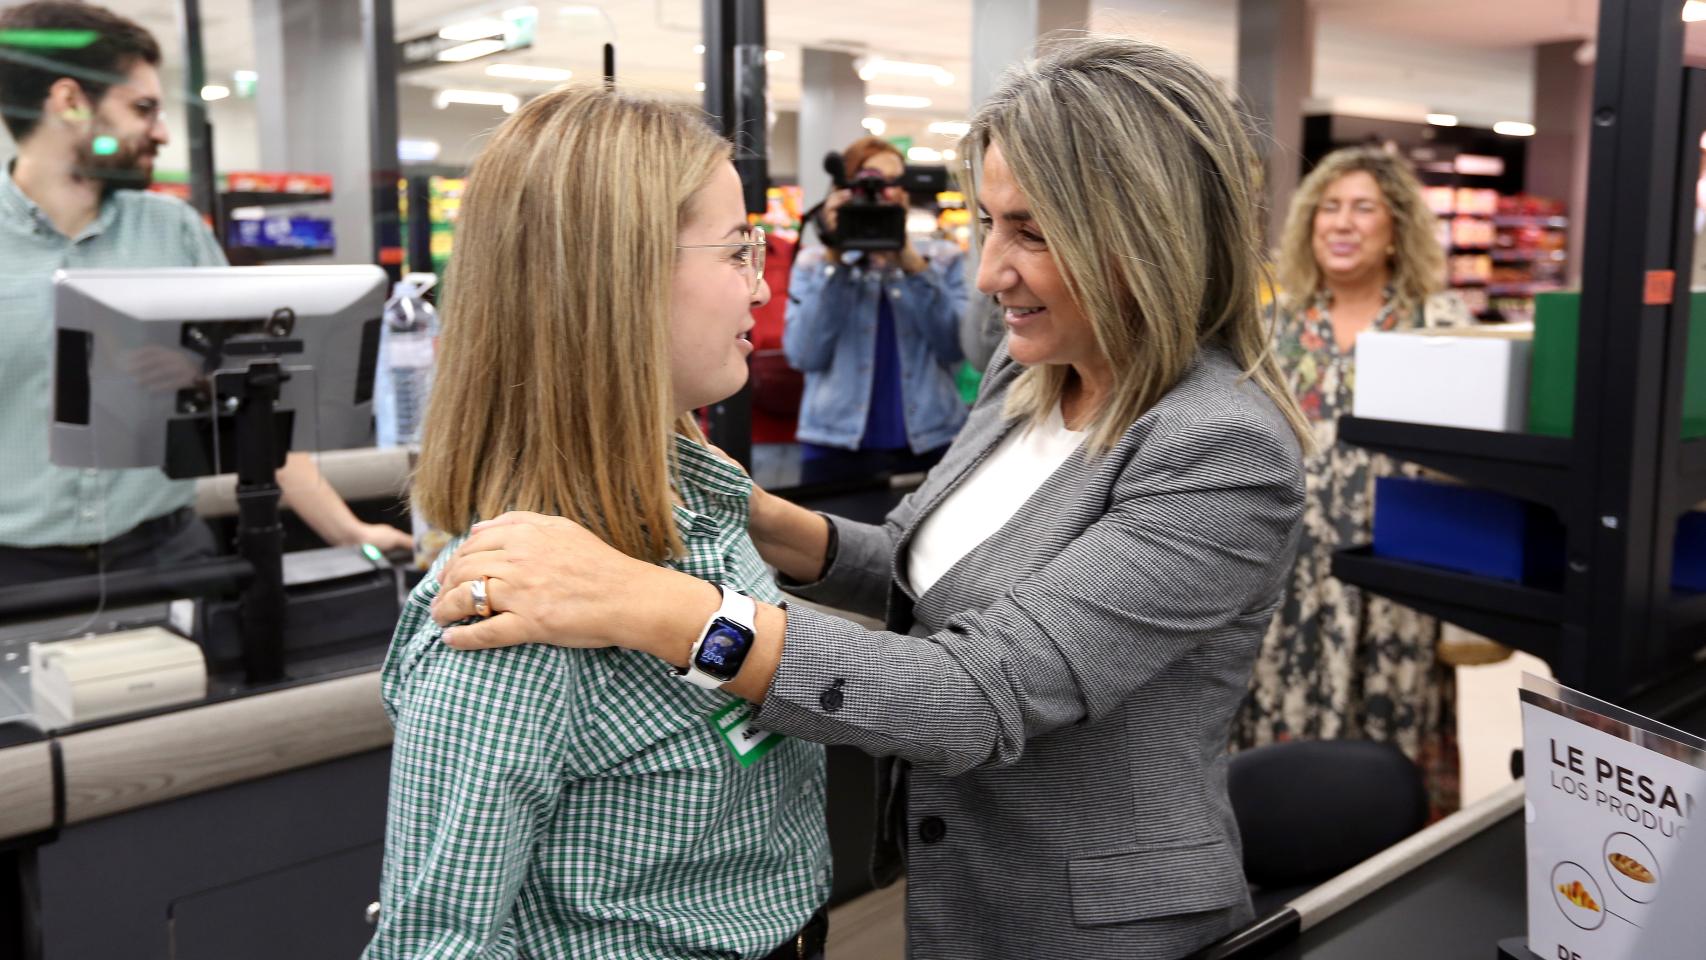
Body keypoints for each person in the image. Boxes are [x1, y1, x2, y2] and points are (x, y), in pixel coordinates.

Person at [428, 36, 1310, 959]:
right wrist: (759, 515)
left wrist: (658, 608)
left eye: (1033, 234)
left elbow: (974, 693)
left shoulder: (1220, 453)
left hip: (1092, 920)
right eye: (988, 222)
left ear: (1146, 234)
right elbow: (922, 569)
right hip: (961, 881)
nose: (987, 273)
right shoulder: (1032, 370)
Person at [363, 86, 830, 959]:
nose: (762, 287)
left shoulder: (709, 507)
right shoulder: (512, 627)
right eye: (738, 252)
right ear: (621, 279)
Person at [0, 0, 409, 587]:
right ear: (69, 103)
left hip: (165, 555)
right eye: (142, 109)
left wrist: (350, 531)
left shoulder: (175, 232)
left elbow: (261, 402)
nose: (161, 132)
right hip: (16, 575)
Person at [1233, 145, 1468, 818]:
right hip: (1287, 580)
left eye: (1364, 208)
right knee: (1282, 728)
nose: (1343, 223)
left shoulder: (1440, 325)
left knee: (1391, 730)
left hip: (1396, 579)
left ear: (1397, 226)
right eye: (1329, 208)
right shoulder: (1273, 326)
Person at [784, 135, 967, 482]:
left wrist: (912, 265)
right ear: (843, 190)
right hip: (833, 445)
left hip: (931, 440)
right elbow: (803, 354)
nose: (882, 192)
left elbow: (953, 347)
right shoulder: (813, 264)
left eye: (893, 182)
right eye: (870, 182)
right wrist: (835, 260)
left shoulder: (942, 260)